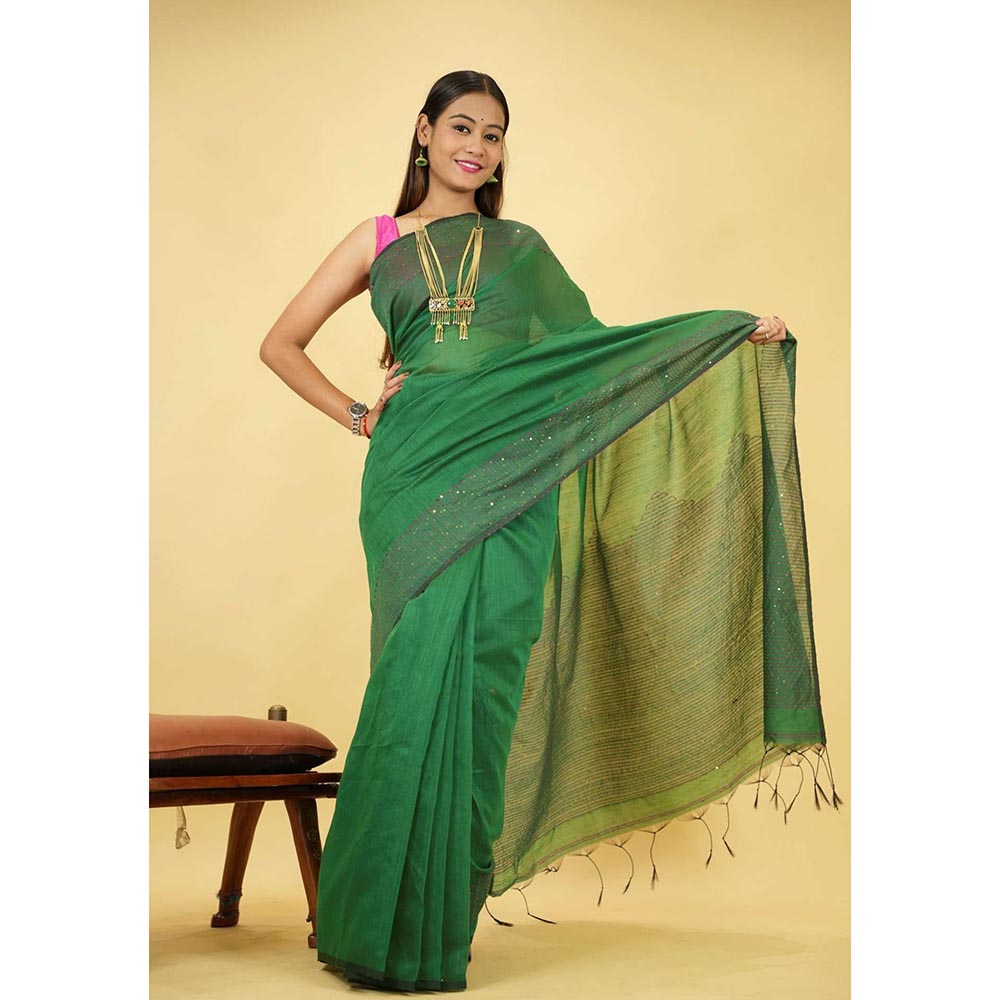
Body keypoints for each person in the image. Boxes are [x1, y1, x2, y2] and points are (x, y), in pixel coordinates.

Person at [259, 69, 840, 993]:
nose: (475, 147)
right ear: (423, 132)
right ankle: (370, 926)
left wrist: (721, 335)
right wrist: (361, 415)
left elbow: (593, 355)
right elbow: (280, 343)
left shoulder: (521, 246)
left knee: (484, 689)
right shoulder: (377, 240)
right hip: (412, 476)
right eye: (461, 127)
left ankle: (434, 935)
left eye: (492, 135)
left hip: (512, 478)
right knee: (409, 683)